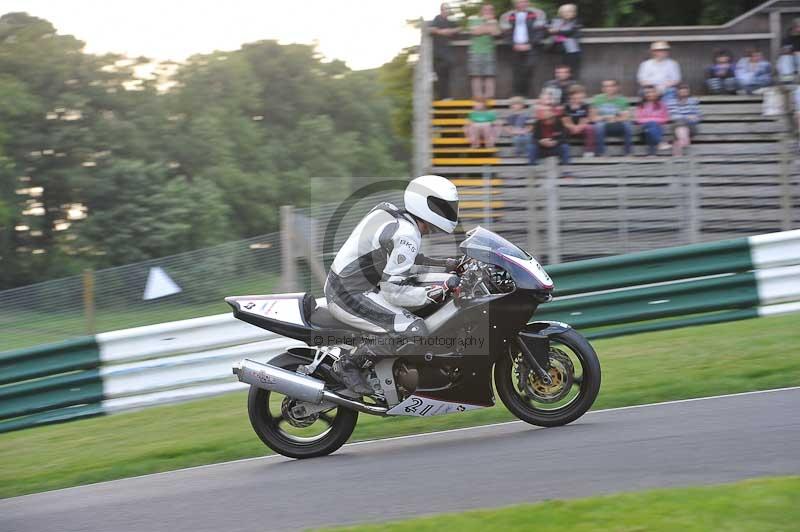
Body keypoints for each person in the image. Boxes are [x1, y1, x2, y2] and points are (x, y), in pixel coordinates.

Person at [325, 175, 460, 392]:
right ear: (427, 204)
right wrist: (437, 290)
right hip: (350, 294)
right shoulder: (407, 234)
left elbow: (405, 260)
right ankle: (348, 364)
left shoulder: (392, 214)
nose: (450, 212)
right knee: (413, 330)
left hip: (349, 287)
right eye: (444, 207)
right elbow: (393, 292)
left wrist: (446, 265)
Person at [500, 0, 548, 97]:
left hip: (532, 48)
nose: (521, 4)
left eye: (524, 1)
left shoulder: (538, 13)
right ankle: (517, 96)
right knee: (516, 71)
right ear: (515, 3)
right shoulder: (506, 16)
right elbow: (505, 34)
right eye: (519, 2)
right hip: (514, 48)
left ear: (528, 2)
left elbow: (541, 32)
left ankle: (528, 95)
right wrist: (513, 44)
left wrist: (530, 44)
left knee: (529, 68)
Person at [467, 3, 502, 99]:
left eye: (491, 10)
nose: (488, 11)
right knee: (476, 75)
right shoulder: (473, 19)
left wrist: (484, 28)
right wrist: (487, 25)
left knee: (490, 75)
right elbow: (475, 32)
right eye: (486, 9)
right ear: (481, 11)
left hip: (489, 51)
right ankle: (478, 97)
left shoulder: (494, 21)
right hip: (475, 51)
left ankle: (488, 96)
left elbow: (496, 33)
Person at [591, 79, 633, 157]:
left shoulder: (622, 100)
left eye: (611, 86)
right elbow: (593, 118)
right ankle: (601, 153)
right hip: (604, 124)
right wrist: (605, 117)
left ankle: (628, 152)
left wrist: (615, 119)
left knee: (627, 125)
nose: (609, 88)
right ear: (602, 89)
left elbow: (627, 116)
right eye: (606, 86)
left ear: (616, 88)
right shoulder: (597, 99)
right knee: (599, 126)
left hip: (617, 124)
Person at [529, 90, 569, 165]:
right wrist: (541, 142)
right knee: (532, 148)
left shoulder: (558, 121)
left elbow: (564, 137)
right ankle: (532, 172)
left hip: (555, 146)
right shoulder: (538, 122)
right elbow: (533, 138)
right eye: (544, 109)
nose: (546, 111)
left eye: (548, 109)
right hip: (542, 148)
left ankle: (566, 171)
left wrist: (556, 142)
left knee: (565, 147)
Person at [430, 3, 460, 100]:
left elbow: (460, 28)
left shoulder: (449, 21)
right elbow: (431, 29)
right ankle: (443, 97)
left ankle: (446, 97)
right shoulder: (437, 19)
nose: (447, 11)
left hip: (446, 52)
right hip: (438, 52)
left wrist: (451, 31)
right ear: (441, 10)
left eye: (448, 9)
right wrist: (441, 32)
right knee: (441, 74)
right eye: (446, 9)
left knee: (445, 74)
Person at [548, 3, 582, 78]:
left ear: (574, 13)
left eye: (570, 11)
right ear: (560, 13)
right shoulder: (555, 21)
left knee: (570, 71)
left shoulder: (576, 22)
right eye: (565, 11)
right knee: (557, 72)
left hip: (571, 50)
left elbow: (570, 32)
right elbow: (547, 30)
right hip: (555, 49)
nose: (567, 13)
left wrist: (556, 31)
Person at [635, 85, 671, 156]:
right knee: (651, 125)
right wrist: (653, 120)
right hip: (643, 131)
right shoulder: (641, 105)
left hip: (656, 130)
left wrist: (651, 120)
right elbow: (639, 120)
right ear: (644, 94)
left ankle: (651, 154)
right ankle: (660, 142)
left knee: (651, 129)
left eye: (652, 92)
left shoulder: (662, 105)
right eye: (648, 92)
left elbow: (665, 118)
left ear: (656, 93)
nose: (650, 94)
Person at [668, 83, 702, 157]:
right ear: (677, 92)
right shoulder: (672, 102)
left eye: (685, 92)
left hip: (691, 126)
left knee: (681, 124)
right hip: (676, 125)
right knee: (680, 123)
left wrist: (692, 118)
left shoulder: (693, 101)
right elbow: (674, 116)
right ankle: (683, 141)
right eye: (681, 91)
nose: (683, 93)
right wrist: (687, 117)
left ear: (688, 92)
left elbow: (698, 116)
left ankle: (679, 143)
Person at [562, 84, 595, 157]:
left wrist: (579, 127)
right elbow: (565, 121)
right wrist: (572, 127)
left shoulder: (585, 106)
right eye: (577, 96)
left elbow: (585, 119)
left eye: (582, 96)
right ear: (571, 96)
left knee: (590, 128)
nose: (580, 98)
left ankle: (588, 152)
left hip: (582, 127)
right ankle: (565, 151)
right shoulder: (566, 106)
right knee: (563, 129)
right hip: (570, 127)